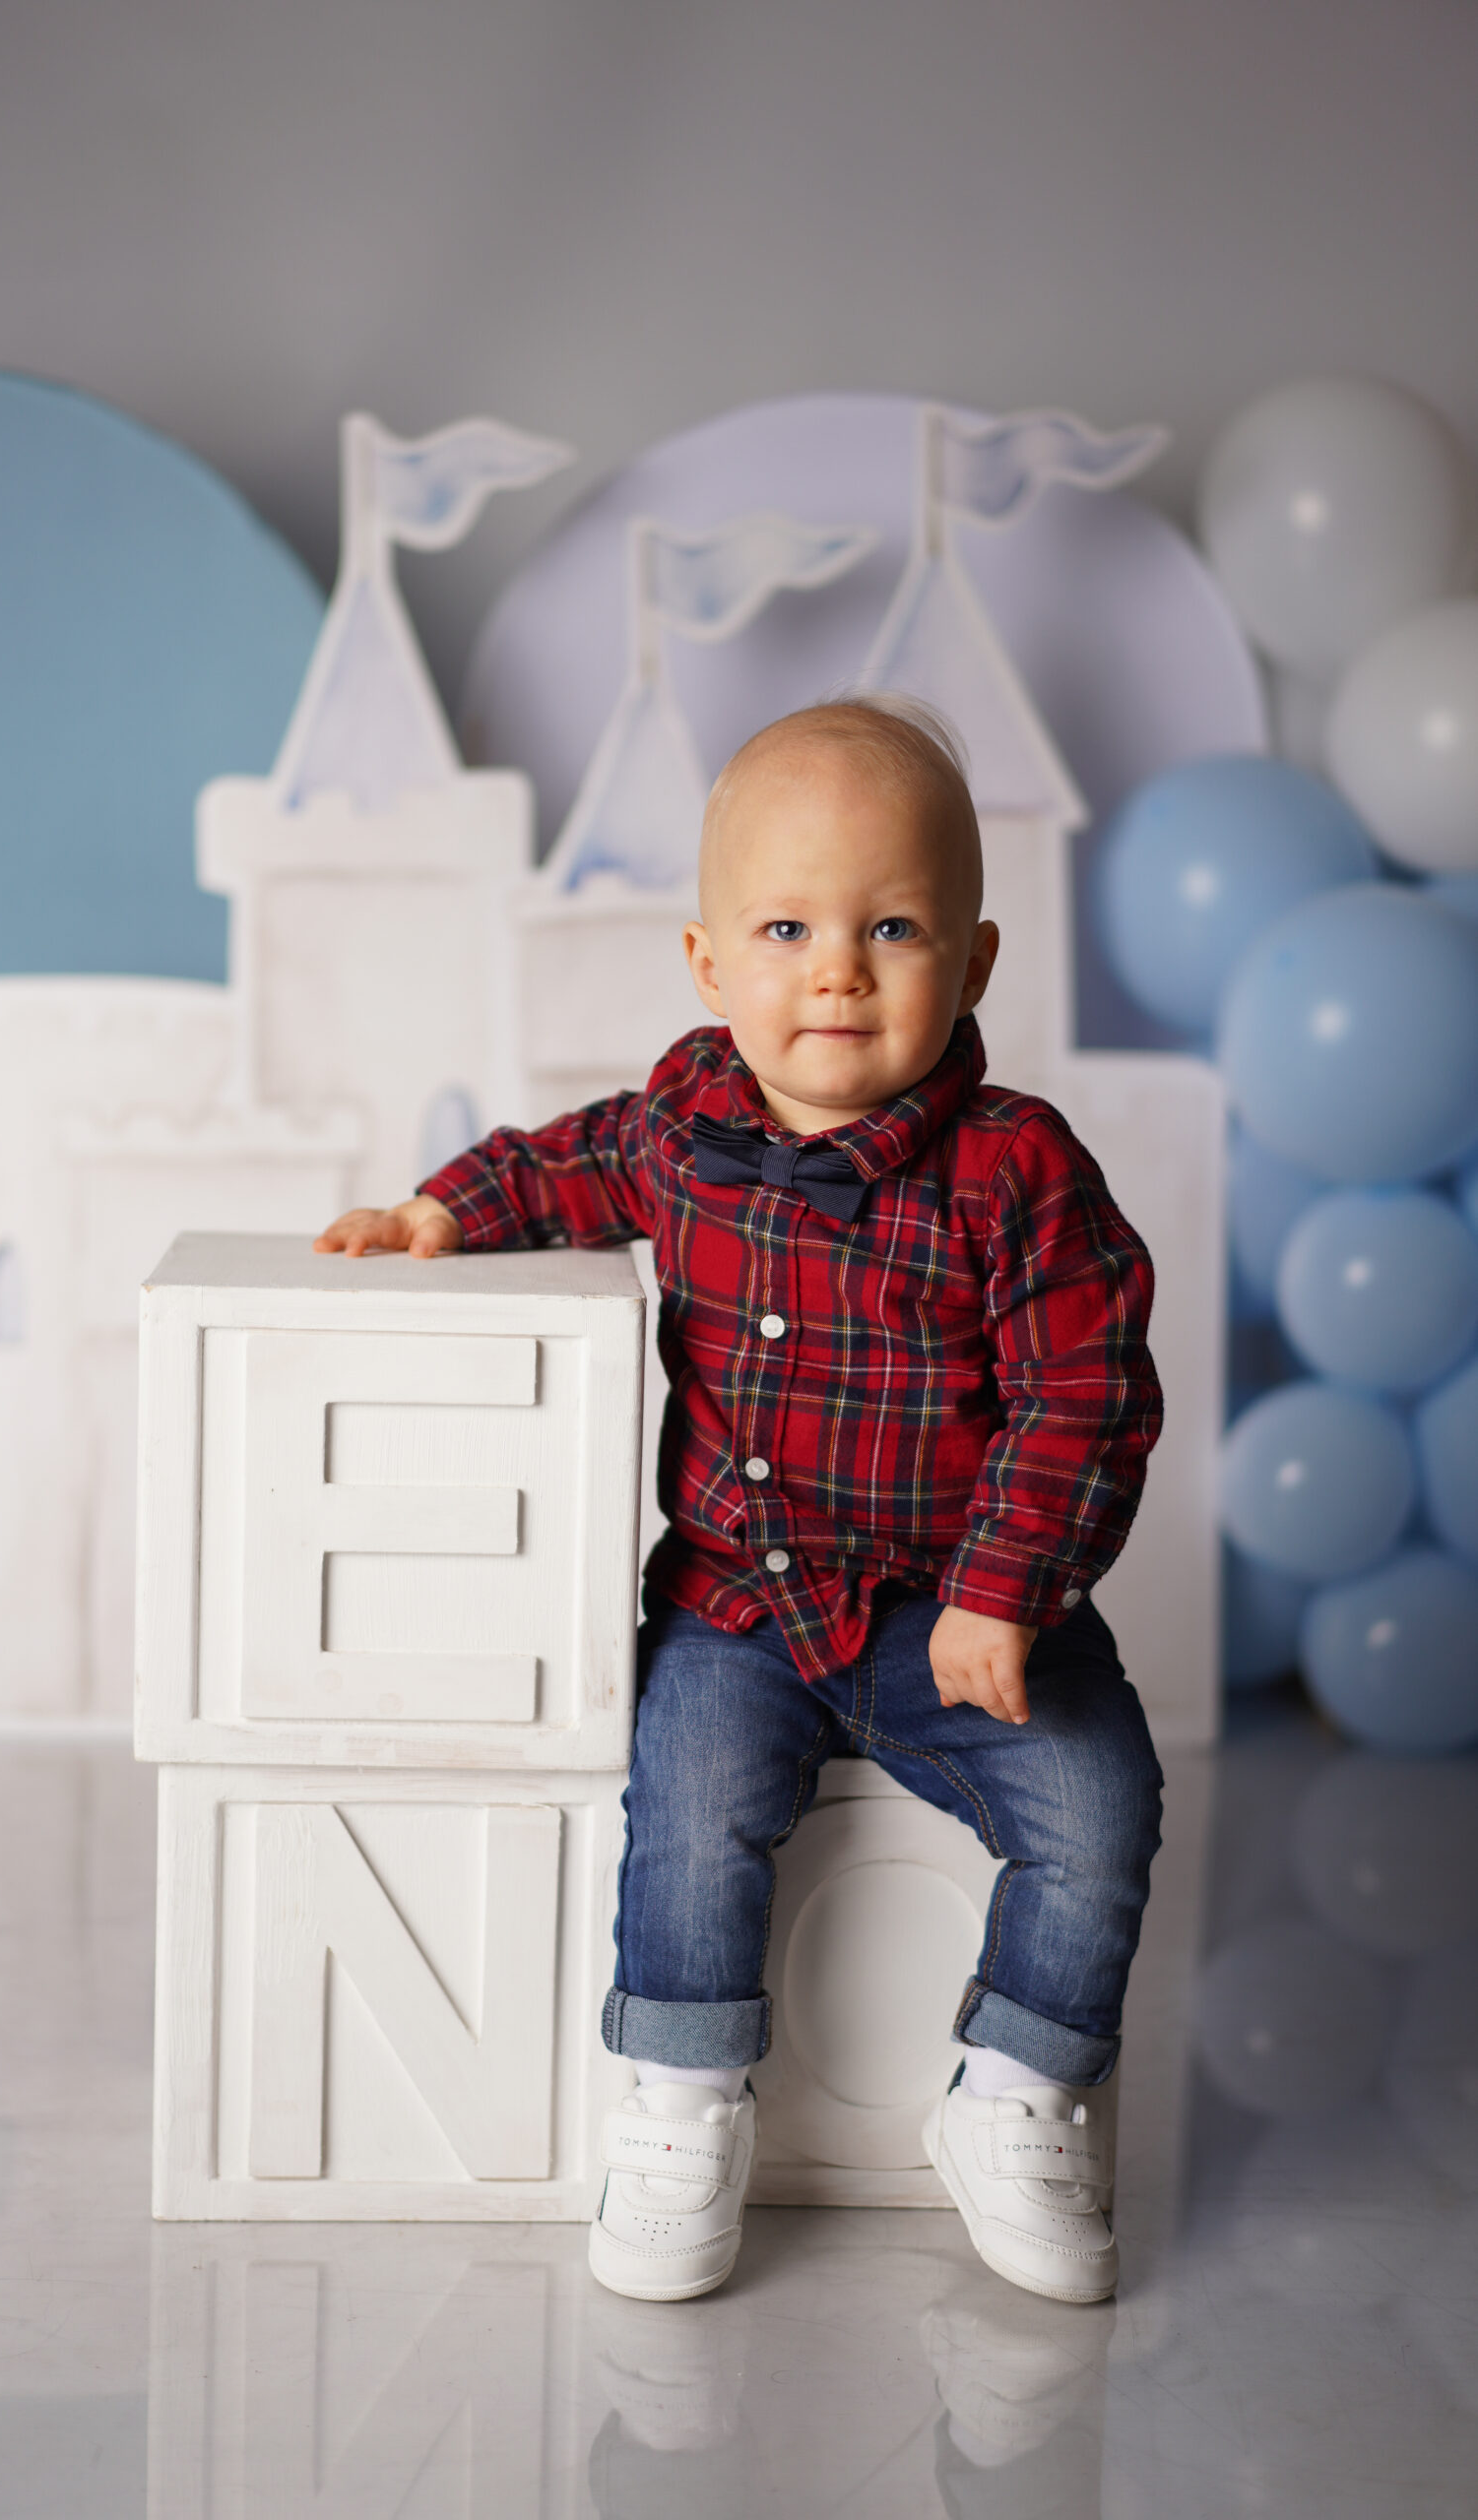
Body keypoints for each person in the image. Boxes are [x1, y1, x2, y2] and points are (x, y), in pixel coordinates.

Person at [315, 695, 1164, 2308]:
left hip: (959, 1606)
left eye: (892, 928)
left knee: (1099, 1805)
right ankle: (683, 2099)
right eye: (787, 930)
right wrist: (442, 1209)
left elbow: (1087, 1394)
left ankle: (1015, 2091)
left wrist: (1004, 1591)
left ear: (975, 962)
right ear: (709, 964)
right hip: (740, 1600)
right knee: (691, 1811)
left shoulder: (1018, 1169)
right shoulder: (684, 1126)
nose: (837, 972)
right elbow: (568, 1163)